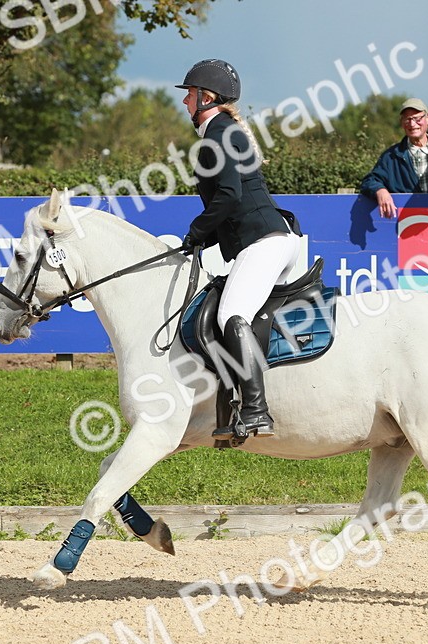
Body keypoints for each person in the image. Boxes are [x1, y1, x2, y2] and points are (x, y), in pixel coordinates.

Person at [177, 58, 301, 440]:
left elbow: (229, 196)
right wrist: (202, 238)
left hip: (264, 243)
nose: (184, 103)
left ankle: (256, 411)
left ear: (206, 97)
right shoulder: (224, 131)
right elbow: (233, 206)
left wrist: (196, 231)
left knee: (231, 312)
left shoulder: (219, 134)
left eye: (189, 95)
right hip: (267, 239)